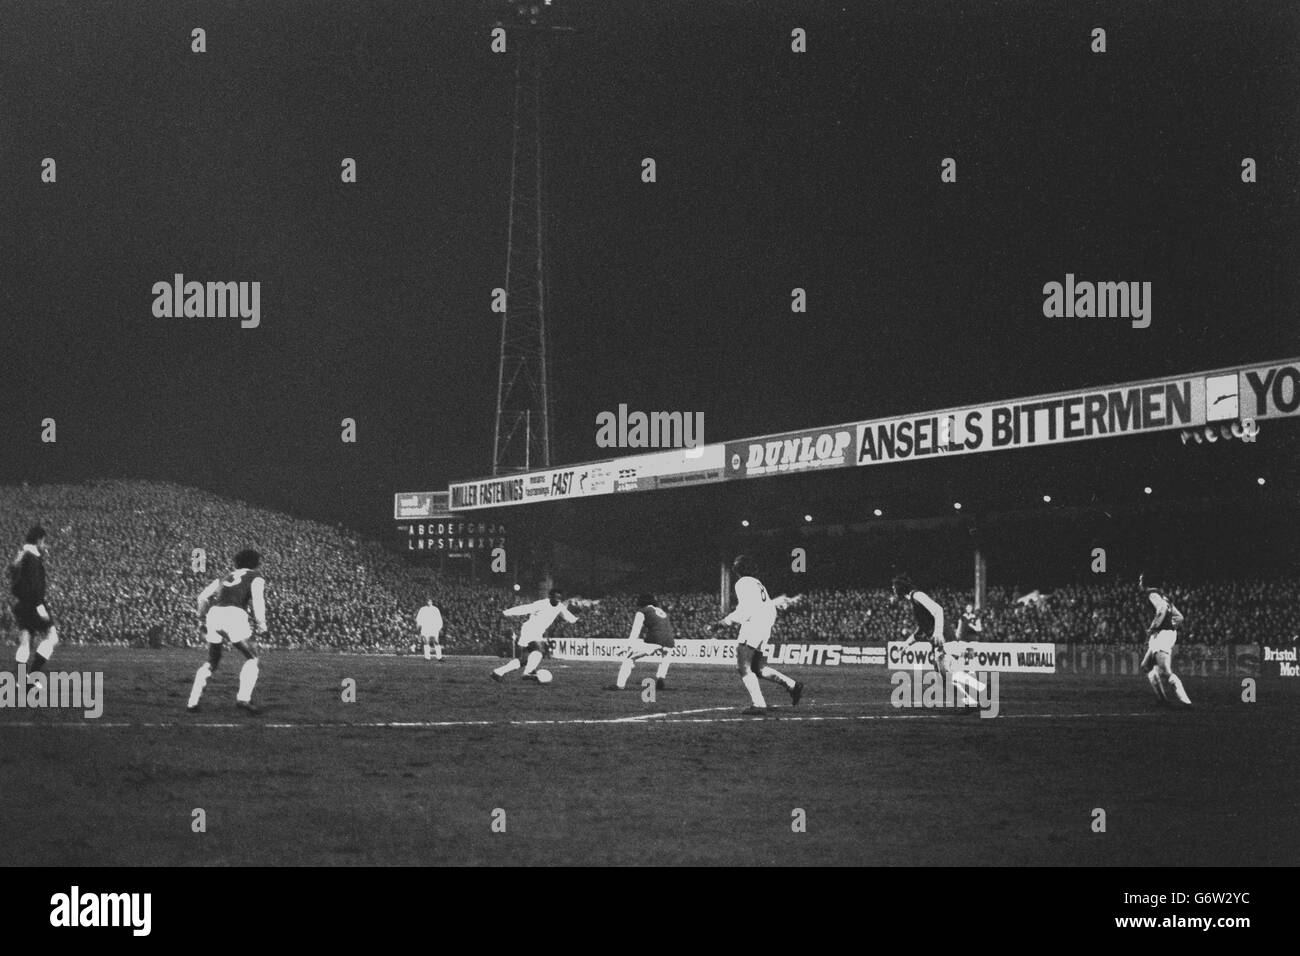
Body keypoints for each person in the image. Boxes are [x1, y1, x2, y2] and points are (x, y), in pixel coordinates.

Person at [711, 555, 803, 714]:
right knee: (758, 668)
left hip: (753, 625)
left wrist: (724, 622)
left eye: (735, 563)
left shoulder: (742, 583)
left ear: (740, 567)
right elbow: (768, 607)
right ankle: (793, 685)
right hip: (764, 625)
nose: (733, 565)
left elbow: (745, 609)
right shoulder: (757, 583)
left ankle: (758, 704)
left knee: (743, 667)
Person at [187, 549, 267, 714]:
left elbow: (202, 597)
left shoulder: (224, 577)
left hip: (214, 614)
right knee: (252, 658)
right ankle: (243, 698)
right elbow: (258, 600)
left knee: (212, 661)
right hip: (234, 614)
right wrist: (262, 623)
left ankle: (192, 701)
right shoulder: (256, 576)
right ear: (255, 563)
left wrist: (201, 615)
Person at [893, 574, 984, 709]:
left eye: (894, 588)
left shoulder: (917, 595)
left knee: (946, 672)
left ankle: (978, 692)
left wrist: (938, 632)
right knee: (946, 674)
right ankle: (975, 696)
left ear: (900, 588)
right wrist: (906, 645)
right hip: (939, 640)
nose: (893, 591)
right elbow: (922, 629)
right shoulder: (913, 600)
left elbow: (938, 609)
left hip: (943, 638)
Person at [491, 588, 577, 682]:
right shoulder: (541, 604)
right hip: (530, 629)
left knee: (524, 660)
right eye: (555, 598)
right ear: (550, 597)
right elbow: (524, 609)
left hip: (537, 632)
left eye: (559, 598)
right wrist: (506, 613)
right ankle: (528, 672)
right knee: (539, 650)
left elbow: (569, 617)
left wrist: (576, 620)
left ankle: (498, 672)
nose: (557, 600)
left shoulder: (560, 606)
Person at [10, 525, 58, 674]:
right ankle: (32, 676)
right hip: (34, 604)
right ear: (38, 540)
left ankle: (21, 680)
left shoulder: (22, 554)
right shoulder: (33, 559)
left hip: (22, 604)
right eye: (44, 542)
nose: (45, 545)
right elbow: (35, 584)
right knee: (52, 637)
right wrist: (40, 606)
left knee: (25, 640)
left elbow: (13, 576)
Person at [1139, 572, 1191, 707]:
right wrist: (1169, 625)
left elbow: (1161, 610)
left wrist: (1153, 627)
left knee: (1166, 670)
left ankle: (1186, 702)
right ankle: (1162, 700)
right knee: (1146, 666)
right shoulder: (1164, 597)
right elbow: (1180, 617)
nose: (1139, 583)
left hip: (1162, 634)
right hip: (1163, 634)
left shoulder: (1151, 594)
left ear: (1146, 583)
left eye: (1140, 581)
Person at [612, 593, 674, 691]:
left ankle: (619, 685)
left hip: (655, 639)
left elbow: (635, 632)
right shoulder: (661, 611)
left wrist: (626, 647)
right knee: (665, 659)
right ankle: (661, 678)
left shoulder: (642, 612)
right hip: (670, 641)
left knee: (629, 658)